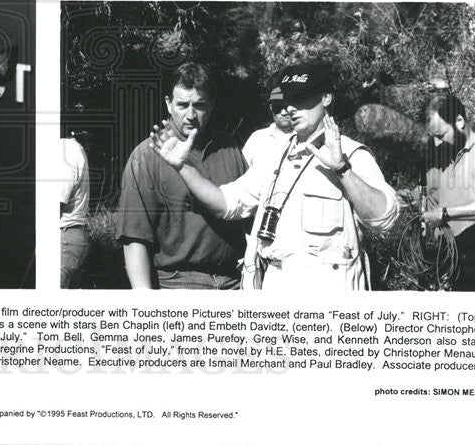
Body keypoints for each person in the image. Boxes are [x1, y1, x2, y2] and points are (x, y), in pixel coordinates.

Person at [150, 64, 399, 291]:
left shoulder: (350, 153)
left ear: (326, 97)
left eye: (300, 98)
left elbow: (384, 219)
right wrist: (183, 167)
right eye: (288, 98)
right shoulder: (274, 155)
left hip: (329, 294)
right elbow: (226, 203)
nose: (290, 107)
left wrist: (342, 169)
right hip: (276, 288)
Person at [117, 63, 249, 289]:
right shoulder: (146, 156)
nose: (191, 115)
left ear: (212, 104)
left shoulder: (230, 148)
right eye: (182, 105)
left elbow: (250, 218)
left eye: (199, 105)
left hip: (233, 281)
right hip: (178, 282)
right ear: (168, 104)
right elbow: (134, 236)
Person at [422, 92, 475, 291]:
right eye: (433, 137)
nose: (436, 143)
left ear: (459, 121)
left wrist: (444, 214)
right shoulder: (446, 158)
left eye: (441, 135)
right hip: (450, 263)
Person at [59, 134, 91, 288]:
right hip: (68, 235)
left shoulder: (67, 149)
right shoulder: (69, 148)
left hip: (66, 236)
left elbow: (58, 199)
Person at [241, 86, 294, 168]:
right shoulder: (257, 138)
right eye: (278, 108)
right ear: (271, 108)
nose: (283, 113)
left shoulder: (305, 137)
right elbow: (242, 170)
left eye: (286, 107)